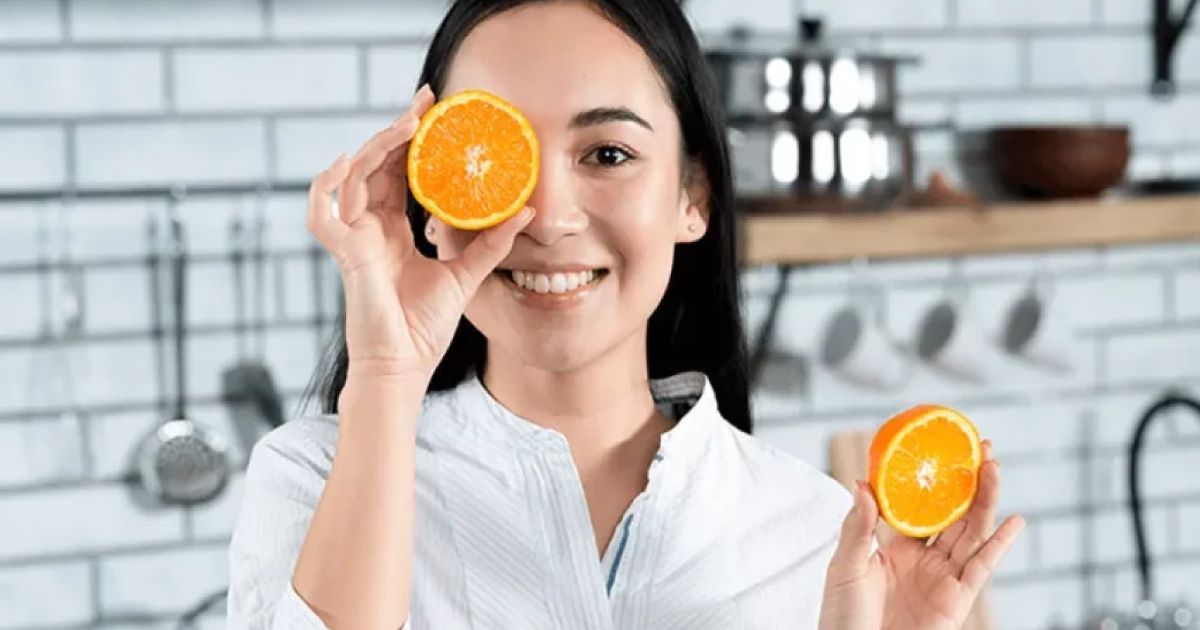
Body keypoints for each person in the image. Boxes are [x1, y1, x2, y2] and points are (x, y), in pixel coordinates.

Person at [227, 1, 1025, 628]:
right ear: (430, 190)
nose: (544, 215)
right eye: (495, 161)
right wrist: (386, 376)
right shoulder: (312, 480)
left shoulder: (817, 532)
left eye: (607, 154)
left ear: (693, 197)